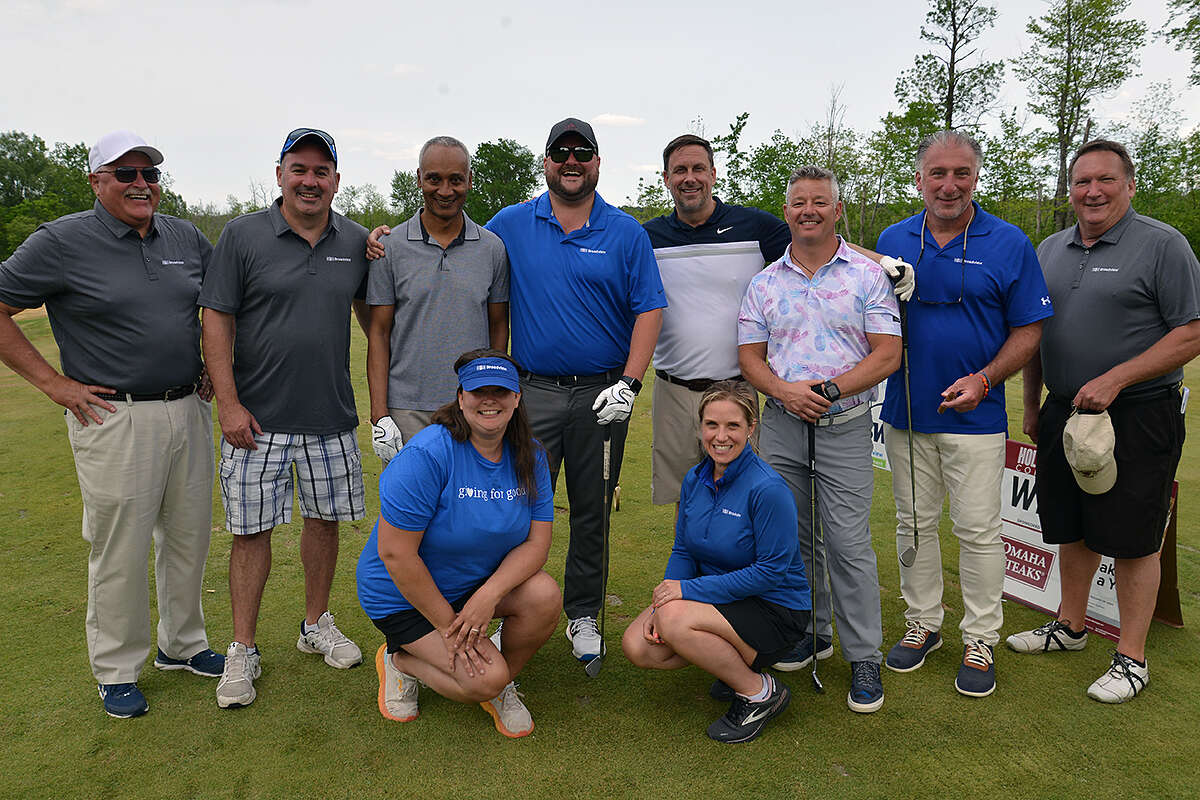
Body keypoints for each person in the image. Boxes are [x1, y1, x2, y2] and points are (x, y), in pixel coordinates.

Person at [0, 130, 223, 718]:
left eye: (149, 174)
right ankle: (118, 668)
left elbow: (229, 299)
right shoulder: (61, 241)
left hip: (188, 408)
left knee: (188, 536)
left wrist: (214, 371)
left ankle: (183, 645)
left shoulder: (183, 235)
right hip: (112, 416)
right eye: (125, 174)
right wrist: (54, 384)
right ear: (96, 179)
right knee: (118, 547)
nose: (141, 185)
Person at [1013, 139, 1200, 703]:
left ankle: (1132, 657)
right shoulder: (1049, 249)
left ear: (1130, 185)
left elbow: (1191, 331)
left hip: (1139, 414)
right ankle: (1071, 627)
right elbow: (1035, 334)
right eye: (1081, 182)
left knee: (1132, 537)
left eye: (1105, 181)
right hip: (1063, 409)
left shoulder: (1163, 246)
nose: (1092, 192)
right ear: (1069, 189)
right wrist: (1030, 402)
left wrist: (1118, 379)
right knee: (1070, 524)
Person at [643, 134, 913, 512]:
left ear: (714, 174)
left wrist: (883, 260)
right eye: (680, 170)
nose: (690, 178)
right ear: (666, 178)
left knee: (742, 504)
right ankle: (689, 573)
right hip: (674, 390)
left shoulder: (752, 225)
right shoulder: (648, 237)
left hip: (737, 388)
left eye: (698, 169)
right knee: (688, 503)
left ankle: (740, 574)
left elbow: (819, 238)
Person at [874, 130, 1053, 698]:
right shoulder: (893, 237)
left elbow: (1030, 329)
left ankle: (981, 637)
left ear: (976, 176)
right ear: (920, 177)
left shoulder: (1008, 241)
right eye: (937, 173)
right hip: (904, 413)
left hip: (977, 416)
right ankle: (923, 624)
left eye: (961, 173)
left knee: (978, 531)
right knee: (914, 525)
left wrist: (985, 379)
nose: (949, 185)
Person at [199, 127, 371, 709]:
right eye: (299, 169)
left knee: (323, 524)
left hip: (330, 417)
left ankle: (314, 623)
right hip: (257, 422)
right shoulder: (242, 236)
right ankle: (242, 649)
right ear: (279, 174)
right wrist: (227, 403)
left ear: (336, 182)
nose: (310, 181)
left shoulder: (353, 240)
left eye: (322, 172)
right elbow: (215, 320)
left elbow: (377, 320)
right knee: (250, 534)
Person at [485, 117, 666, 662]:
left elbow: (649, 308)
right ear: (545, 162)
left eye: (581, 153)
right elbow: (456, 240)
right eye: (560, 152)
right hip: (532, 391)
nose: (571, 161)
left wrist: (631, 383)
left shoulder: (625, 231)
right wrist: (381, 239)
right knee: (515, 504)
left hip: (603, 395)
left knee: (592, 508)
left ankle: (583, 612)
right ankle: (504, 607)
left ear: (596, 162)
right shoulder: (512, 223)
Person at [738, 165, 901, 714]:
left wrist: (826, 390)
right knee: (794, 538)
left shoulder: (867, 275)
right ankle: (813, 632)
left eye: (819, 202)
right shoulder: (764, 282)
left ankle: (864, 656)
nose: (808, 210)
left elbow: (887, 353)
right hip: (783, 425)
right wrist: (785, 391)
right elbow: (749, 358)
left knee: (849, 545)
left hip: (844, 425)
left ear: (836, 211)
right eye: (798, 202)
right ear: (786, 213)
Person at [356, 350, 561, 737]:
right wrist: (450, 627)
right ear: (461, 396)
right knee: (484, 679)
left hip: (472, 588)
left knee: (544, 596)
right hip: (403, 597)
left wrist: (487, 597)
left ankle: (498, 683)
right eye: (478, 391)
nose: (489, 400)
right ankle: (401, 660)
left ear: (517, 398)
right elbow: (396, 554)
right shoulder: (428, 454)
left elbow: (537, 544)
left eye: (500, 392)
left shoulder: (530, 456)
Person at [622, 381, 809, 743]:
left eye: (733, 426)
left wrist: (682, 595)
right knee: (637, 645)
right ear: (700, 426)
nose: (721, 437)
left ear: (751, 428)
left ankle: (759, 692)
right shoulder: (695, 479)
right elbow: (684, 549)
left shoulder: (768, 489)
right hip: (719, 599)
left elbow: (771, 573)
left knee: (674, 620)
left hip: (774, 609)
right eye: (712, 425)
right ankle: (729, 666)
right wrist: (666, 597)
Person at [362, 136, 509, 463]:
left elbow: (499, 327)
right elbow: (379, 332)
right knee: (408, 512)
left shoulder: (492, 249)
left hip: (472, 404)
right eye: (434, 179)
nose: (445, 190)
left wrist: (493, 393)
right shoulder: (391, 247)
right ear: (419, 179)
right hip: (405, 412)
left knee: (467, 509)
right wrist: (379, 414)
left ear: (470, 180)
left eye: (456, 179)